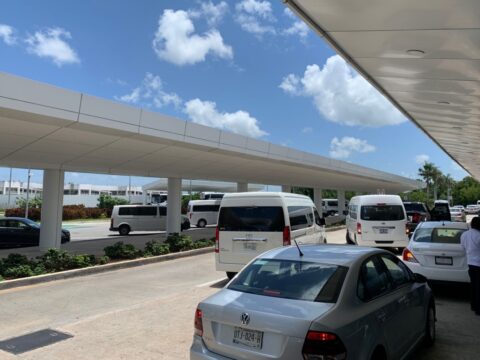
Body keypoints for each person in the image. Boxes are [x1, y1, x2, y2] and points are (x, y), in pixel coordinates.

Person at [461, 216, 480, 315]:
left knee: (473, 285)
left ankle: (473, 305)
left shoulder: (464, 235)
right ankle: (478, 308)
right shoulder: (479, 235)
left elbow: (463, 247)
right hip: (478, 264)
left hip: (470, 263)